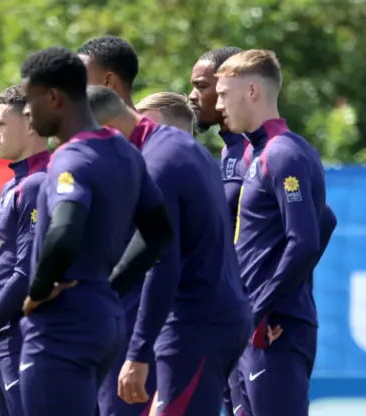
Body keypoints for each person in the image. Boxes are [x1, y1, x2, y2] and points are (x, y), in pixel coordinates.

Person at [17, 46, 172, 416]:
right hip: (105, 317)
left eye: (30, 101)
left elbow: (66, 229)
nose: (27, 112)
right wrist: (110, 284)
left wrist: (38, 292)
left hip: (63, 323)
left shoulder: (70, 158)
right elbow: (159, 231)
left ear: (54, 97)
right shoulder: (125, 152)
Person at [86, 85, 252, 416]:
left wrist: (138, 352)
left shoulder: (158, 163)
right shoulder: (177, 147)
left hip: (196, 324)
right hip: (208, 320)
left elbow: (164, 262)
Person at [214, 49, 337, 416]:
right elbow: (324, 221)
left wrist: (260, 307)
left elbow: (304, 241)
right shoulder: (257, 154)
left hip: (273, 330)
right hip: (255, 327)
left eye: (223, 94)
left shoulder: (283, 153)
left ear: (252, 90)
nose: (219, 105)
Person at [77, 35, 158, 416]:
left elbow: (163, 245)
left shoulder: (153, 150)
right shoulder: (91, 147)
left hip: (135, 330)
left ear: (108, 83)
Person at [0, 85, 50, 416]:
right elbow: (0, 265)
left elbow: (26, 272)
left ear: (31, 123)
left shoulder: (41, 182)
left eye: (0, 124)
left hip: (26, 337)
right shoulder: (15, 183)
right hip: (3, 336)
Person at [188, 46, 247, 416]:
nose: (193, 95)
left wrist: (269, 301)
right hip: (226, 319)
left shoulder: (264, 151)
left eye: (202, 86)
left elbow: (318, 224)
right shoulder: (227, 153)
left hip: (255, 320)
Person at [189, 47, 249, 235]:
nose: (191, 95)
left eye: (201, 86)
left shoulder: (258, 150)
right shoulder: (229, 149)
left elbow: (322, 221)